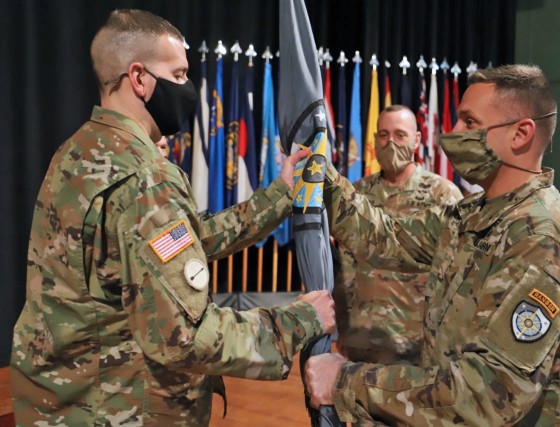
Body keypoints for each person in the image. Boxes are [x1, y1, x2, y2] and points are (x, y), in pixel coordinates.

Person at [10, 9, 334, 426]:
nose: (188, 87)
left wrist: (279, 195)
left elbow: (181, 243)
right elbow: (185, 338)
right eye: (179, 75)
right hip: (118, 407)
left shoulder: (79, 151)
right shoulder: (145, 178)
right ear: (140, 78)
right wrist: (299, 320)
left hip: (64, 401)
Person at [305, 64, 560, 425]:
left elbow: (486, 395)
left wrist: (345, 380)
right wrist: (320, 176)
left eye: (469, 123)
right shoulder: (471, 215)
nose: (453, 133)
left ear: (520, 134)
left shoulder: (541, 242)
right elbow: (385, 235)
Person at [334, 105, 461, 366]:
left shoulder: (442, 194)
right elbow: (345, 266)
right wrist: (343, 326)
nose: (390, 142)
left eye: (400, 135)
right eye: (383, 134)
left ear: (416, 140)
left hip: (418, 341)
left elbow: (456, 271)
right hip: (364, 337)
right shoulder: (357, 196)